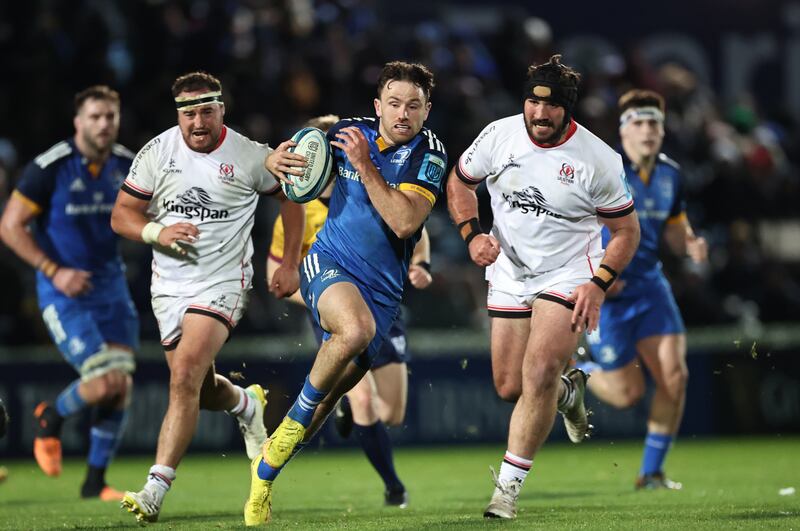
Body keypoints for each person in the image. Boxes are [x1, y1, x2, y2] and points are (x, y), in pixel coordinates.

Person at [244, 60, 447, 525]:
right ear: (377, 105)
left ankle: (264, 475)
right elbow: (295, 160)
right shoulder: (349, 133)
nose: (402, 113)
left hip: (383, 293)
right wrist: (274, 161)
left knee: (327, 405)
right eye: (393, 103)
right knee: (354, 330)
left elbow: (405, 222)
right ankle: (294, 438)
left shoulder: (429, 155)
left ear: (427, 110)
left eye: (413, 105)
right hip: (329, 262)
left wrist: (363, 166)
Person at [446, 54, 641, 520]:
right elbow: (459, 183)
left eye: (551, 106)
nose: (539, 113)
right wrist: (472, 236)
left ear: (567, 109)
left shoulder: (597, 160)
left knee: (538, 371)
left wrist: (598, 284)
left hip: (569, 273)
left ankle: (506, 492)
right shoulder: (499, 135)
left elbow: (627, 231)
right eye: (532, 103)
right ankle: (569, 392)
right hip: (510, 272)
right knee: (509, 385)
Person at [110, 71, 305, 524]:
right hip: (168, 287)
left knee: (183, 377)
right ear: (178, 115)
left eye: (206, 111)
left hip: (223, 283)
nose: (197, 122)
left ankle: (155, 488)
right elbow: (122, 214)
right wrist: (156, 232)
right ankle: (245, 403)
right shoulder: (157, 152)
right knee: (197, 388)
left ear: (221, 110)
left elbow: (291, 199)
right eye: (189, 113)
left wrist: (289, 261)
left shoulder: (250, 155)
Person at [266, 115, 432, 508]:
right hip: (336, 309)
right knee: (364, 400)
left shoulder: (370, 188)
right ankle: (394, 487)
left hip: (384, 302)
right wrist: (321, 292)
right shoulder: (299, 208)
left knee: (391, 412)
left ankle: (339, 405)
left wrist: (421, 264)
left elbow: (416, 231)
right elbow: (275, 273)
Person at [0, 85, 139, 501]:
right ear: (78, 122)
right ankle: (51, 417)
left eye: (110, 116)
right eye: (95, 116)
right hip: (64, 293)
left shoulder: (129, 164)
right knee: (104, 381)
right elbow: (9, 226)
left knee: (122, 384)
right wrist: (54, 271)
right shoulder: (50, 167)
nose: (104, 124)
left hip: (111, 288)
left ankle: (94, 482)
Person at [580, 89, 708, 490]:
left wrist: (690, 242)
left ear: (664, 130)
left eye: (654, 122)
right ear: (623, 131)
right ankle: (577, 372)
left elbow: (675, 228)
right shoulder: (604, 170)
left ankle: (651, 472)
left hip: (651, 286)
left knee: (675, 376)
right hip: (608, 293)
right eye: (639, 122)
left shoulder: (671, 174)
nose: (648, 129)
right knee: (627, 394)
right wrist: (596, 274)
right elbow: (575, 226)